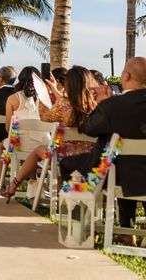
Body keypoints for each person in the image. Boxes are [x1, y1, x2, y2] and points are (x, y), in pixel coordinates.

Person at [61, 57, 146, 241]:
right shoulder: (115, 104)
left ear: (127, 76)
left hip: (119, 175)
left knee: (70, 165)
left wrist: (103, 104)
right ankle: (125, 231)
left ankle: (82, 224)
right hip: (137, 173)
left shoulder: (113, 106)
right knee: (129, 164)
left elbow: (90, 129)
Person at [1, 66, 97, 201]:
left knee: (37, 152)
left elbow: (45, 117)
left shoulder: (64, 105)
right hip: (90, 156)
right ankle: (60, 194)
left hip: (64, 156)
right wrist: (55, 90)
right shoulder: (95, 105)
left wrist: (43, 95)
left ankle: (14, 185)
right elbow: (69, 103)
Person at [0, 66, 44, 174]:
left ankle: (1, 181)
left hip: (20, 144)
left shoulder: (13, 98)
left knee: (2, 146)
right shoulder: (44, 98)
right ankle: (33, 182)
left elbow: (8, 127)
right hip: (43, 144)